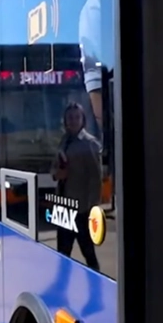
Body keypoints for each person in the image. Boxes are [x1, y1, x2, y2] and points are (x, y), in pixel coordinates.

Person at [51, 102, 102, 270]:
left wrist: (92, 210)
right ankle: (61, 287)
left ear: (83, 120)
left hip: (82, 209)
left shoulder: (90, 144)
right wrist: (56, 174)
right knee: (62, 253)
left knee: (88, 252)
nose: (73, 121)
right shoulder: (64, 140)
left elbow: (95, 179)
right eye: (70, 118)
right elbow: (55, 166)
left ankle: (97, 286)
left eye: (76, 117)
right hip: (63, 206)